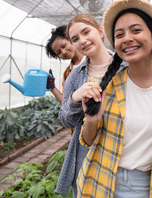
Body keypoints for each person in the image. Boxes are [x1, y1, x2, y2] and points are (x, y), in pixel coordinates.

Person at [77, 0, 152, 197]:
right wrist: (92, 120)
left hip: (146, 186)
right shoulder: (107, 86)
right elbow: (88, 141)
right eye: (119, 34)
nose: (127, 38)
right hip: (99, 179)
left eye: (135, 30)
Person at [55, 14, 114, 197]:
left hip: (120, 147)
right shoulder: (74, 76)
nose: (82, 40)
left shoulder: (127, 66)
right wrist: (74, 98)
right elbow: (66, 121)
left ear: (100, 31)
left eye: (86, 32)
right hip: (86, 147)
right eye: (75, 39)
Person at [45, 25, 84, 104]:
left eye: (64, 46)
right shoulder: (67, 74)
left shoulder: (91, 58)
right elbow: (66, 104)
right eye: (58, 52)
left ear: (70, 39)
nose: (63, 52)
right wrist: (52, 88)